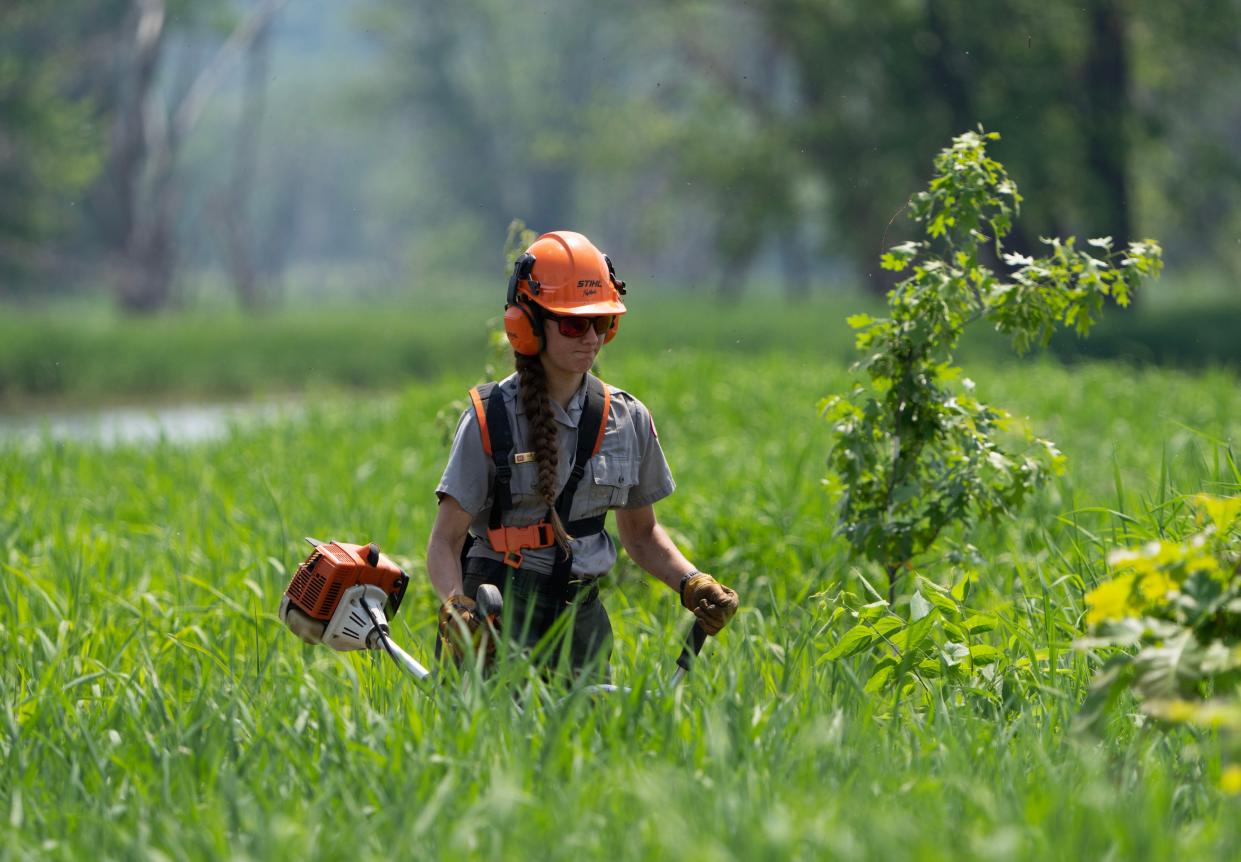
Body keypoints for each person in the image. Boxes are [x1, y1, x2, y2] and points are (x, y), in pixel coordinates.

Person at [426, 230, 739, 680]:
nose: (590, 337)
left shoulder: (627, 419)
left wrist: (693, 584)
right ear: (529, 324)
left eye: (602, 322)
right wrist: (457, 605)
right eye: (573, 324)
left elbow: (643, 535)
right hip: (494, 618)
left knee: (588, 747)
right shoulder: (487, 418)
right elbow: (445, 541)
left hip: (581, 624)